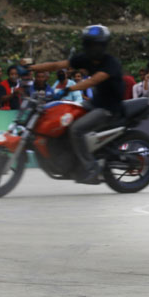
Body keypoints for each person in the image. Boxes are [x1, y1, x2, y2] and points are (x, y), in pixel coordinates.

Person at [29, 25, 124, 184]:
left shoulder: (111, 63)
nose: (93, 48)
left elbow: (94, 80)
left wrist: (69, 88)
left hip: (109, 109)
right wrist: (30, 68)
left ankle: (91, 168)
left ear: (103, 45)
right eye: (90, 44)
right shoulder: (85, 59)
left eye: (97, 44)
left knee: (76, 130)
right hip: (94, 104)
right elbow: (56, 65)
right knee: (64, 121)